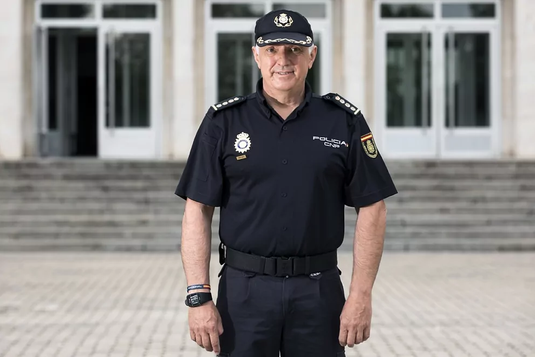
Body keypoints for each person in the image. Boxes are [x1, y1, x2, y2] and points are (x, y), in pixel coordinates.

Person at [175, 8, 398, 357]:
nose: (283, 60)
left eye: (294, 49)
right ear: (256, 56)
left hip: (318, 292)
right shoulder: (223, 122)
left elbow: (373, 207)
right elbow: (197, 210)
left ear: (312, 55)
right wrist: (198, 296)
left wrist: (361, 295)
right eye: (272, 49)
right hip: (243, 293)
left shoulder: (343, 122)